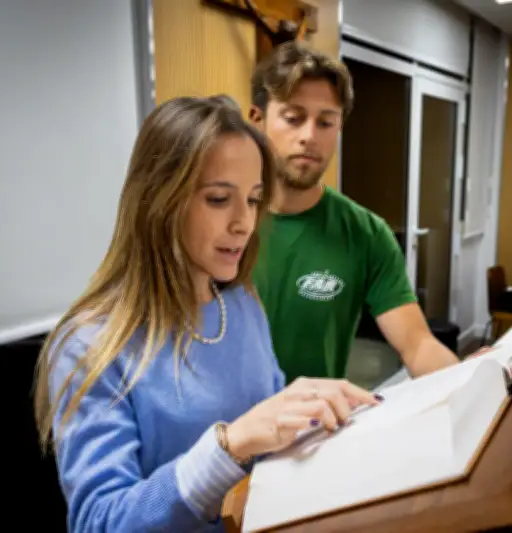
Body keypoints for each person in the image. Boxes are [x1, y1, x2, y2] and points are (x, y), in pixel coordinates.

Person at [33, 95, 381, 532]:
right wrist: (230, 445)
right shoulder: (89, 345)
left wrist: (310, 418)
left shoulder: (241, 304)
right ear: (161, 201)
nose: (244, 223)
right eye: (219, 199)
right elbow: (98, 522)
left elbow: (269, 437)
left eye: (254, 201)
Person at [248, 41, 462, 384]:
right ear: (257, 120)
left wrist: (473, 387)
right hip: (225, 431)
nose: (309, 136)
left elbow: (418, 345)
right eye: (293, 118)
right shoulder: (219, 222)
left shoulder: (366, 234)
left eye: (325, 122)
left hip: (314, 431)